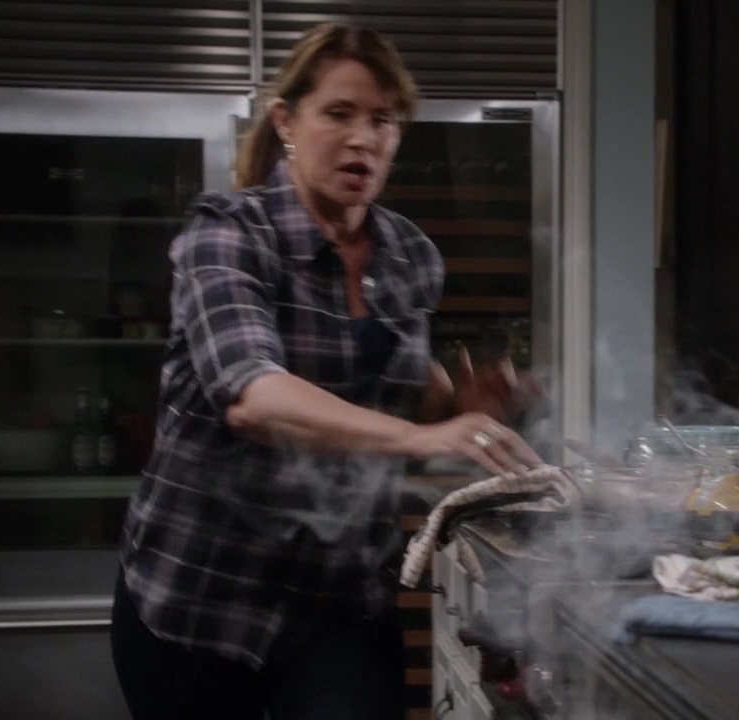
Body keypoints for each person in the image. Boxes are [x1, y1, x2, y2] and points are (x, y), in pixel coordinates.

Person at [110, 23, 542, 720]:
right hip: (199, 596)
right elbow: (252, 396)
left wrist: (456, 404)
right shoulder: (227, 231)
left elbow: (394, 392)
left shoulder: (410, 256)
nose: (363, 139)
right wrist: (425, 436)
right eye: (339, 114)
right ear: (286, 121)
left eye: (382, 121)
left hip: (336, 598)